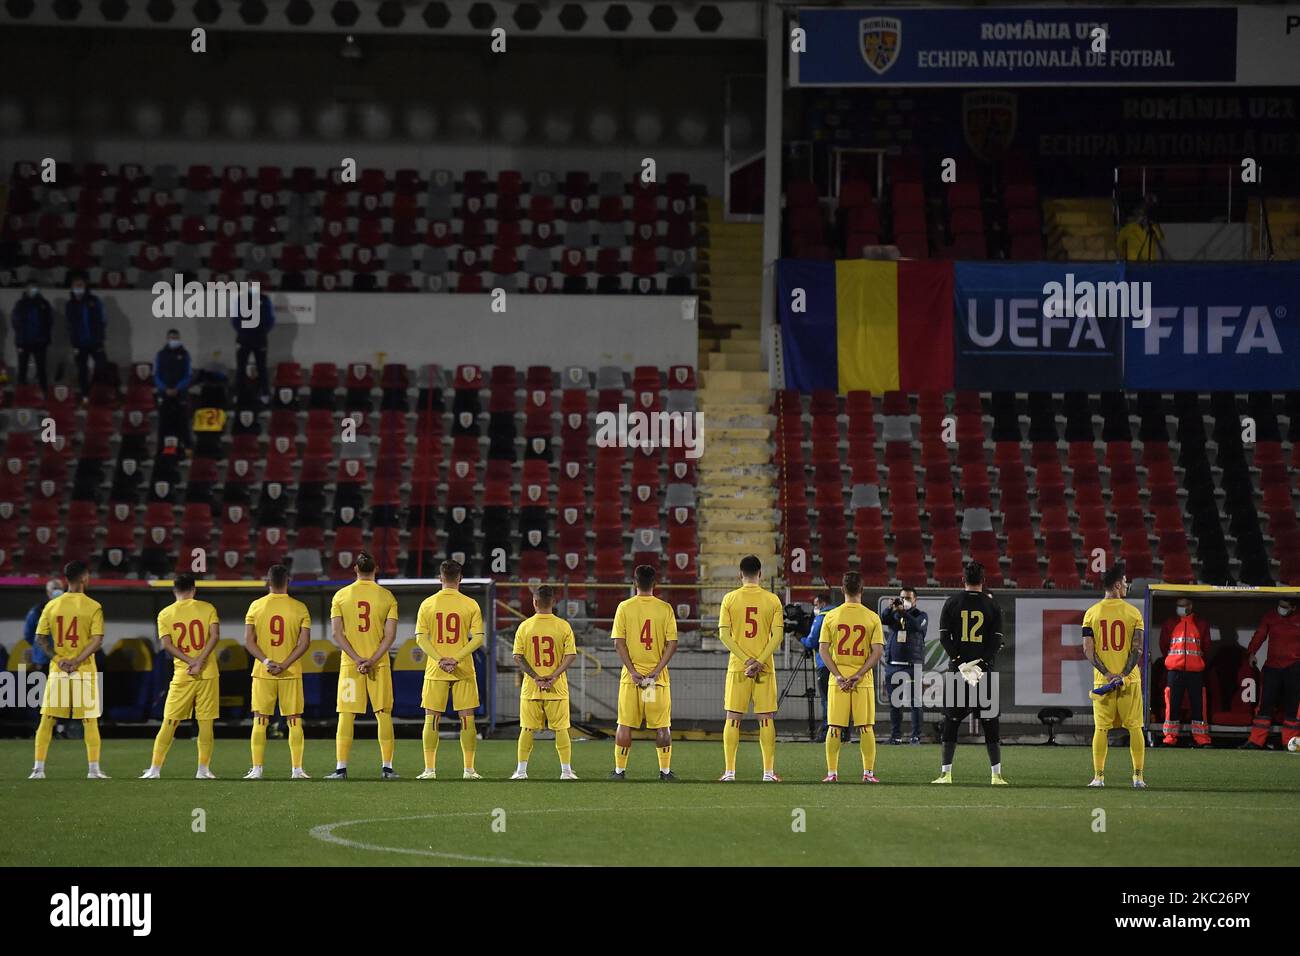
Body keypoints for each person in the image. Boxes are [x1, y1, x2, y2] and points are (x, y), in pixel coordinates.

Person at [29, 561, 108, 780]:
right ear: (83, 578)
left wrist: (58, 658)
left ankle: (38, 769)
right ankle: (93, 770)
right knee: (89, 719)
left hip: (58, 669)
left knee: (47, 718)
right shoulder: (93, 606)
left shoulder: (52, 606)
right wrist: (77, 660)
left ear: (66, 579)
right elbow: (97, 640)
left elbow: (40, 638)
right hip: (83, 670)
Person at [325, 552, 400, 780]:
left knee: (346, 715)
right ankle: (387, 768)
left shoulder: (341, 596)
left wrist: (357, 659)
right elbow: (389, 637)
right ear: (375, 568)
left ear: (355, 569)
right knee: (383, 714)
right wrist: (372, 659)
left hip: (351, 664)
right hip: (379, 664)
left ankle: (341, 768)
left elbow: (337, 634)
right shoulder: (387, 597)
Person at [933, 561, 1007, 786]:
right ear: (983, 581)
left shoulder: (952, 602)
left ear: (962, 580)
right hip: (984, 673)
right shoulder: (993, 606)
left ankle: (946, 774)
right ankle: (996, 775)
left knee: (951, 721)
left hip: (958, 672)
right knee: (990, 723)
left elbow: (945, 638)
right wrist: (981, 664)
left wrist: (960, 663)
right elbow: (996, 640)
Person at [140, 574, 220, 779]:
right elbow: (214, 637)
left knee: (169, 721)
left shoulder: (165, 614)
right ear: (194, 589)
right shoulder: (208, 608)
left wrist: (189, 661)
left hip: (183, 674)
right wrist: (200, 660)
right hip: (207, 673)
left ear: (174, 590)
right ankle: (203, 770)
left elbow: (167, 645)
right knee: (205, 722)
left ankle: (155, 769)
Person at [414, 559, 485, 779]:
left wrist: (439, 659)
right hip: (463, 667)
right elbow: (478, 639)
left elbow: (420, 639)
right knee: (467, 718)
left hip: (436, 669)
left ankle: (429, 770)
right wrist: (456, 658)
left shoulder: (428, 604)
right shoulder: (471, 604)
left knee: (432, 718)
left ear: (440, 578)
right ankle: (469, 770)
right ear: (460, 578)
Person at [717, 554, 785, 782]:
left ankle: (729, 772)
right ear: (760, 574)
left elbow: (724, 635)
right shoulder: (772, 599)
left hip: (739, 667)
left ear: (740, 575)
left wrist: (746, 660)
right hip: (764, 668)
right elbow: (778, 636)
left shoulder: (729, 598)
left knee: (732, 718)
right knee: (766, 718)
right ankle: (767, 772)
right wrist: (759, 661)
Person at [609, 564, 679, 781]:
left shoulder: (624, 607)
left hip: (632, 680)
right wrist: (656, 673)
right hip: (655, 682)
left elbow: (618, 643)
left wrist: (632, 671)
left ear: (634, 583)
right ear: (655, 584)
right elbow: (672, 644)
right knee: (662, 726)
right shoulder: (665, 608)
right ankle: (665, 772)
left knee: (625, 724)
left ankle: (620, 771)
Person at [243, 564, 312, 780]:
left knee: (260, 720)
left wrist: (266, 661)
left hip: (263, 672)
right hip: (290, 672)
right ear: (288, 580)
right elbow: (304, 643)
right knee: (294, 720)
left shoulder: (255, 606)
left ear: (268, 581)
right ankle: (297, 770)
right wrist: (284, 664)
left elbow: (248, 641)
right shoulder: (300, 607)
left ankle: (257, 769)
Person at [1082, 562, 1146, 788]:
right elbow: (1136, 650)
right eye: (1126, 581)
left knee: (1101, 729)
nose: (1127, 585)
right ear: (1118, 585)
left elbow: (1087, 650)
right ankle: (1138, 777)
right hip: (1130, 681)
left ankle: (1098, 777)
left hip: (1103, 682)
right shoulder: (1134, 613)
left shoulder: (1091, 613)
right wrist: (1123, 675)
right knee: (1135, 727)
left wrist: (1109, 675)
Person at [818, 572, 885, 783]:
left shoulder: (831, 616)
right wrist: (859, 674)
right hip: (862, 681)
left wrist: (838, 675)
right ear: (862, 590)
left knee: (835, 727)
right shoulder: (872, 617)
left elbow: (823, 650)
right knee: (865, 727)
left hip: (837, 681)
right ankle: (868, 773)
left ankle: (831, 773)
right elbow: (877, 651)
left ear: (842, 590)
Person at [511, 585, 579, 780]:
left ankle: (521, 771)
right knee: (561, 728)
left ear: (534, 602)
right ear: (554, 602)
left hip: (532, 687)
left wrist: (535, 676)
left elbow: (517, 656)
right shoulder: (563, 626)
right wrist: (555, 675)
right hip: (556, 687)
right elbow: (570, 655)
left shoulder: (525, 626)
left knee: (527, 728)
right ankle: (566, 771)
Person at [1242, 596, 1300, 750]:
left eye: (1285, 606)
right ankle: (1256, 741)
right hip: (1272, 668)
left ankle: (1289, 743)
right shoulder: (1271, 617)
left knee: (1292, 707)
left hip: (1294, 668)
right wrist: (1252, 652)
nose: (1281, 609)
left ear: (1294, 608)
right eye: (1280, 605)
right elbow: (1260, 635)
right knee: (1264, 706)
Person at [1158, 596, 1213, 747]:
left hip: (1195, 671)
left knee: (1198, 706)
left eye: (1183, 605)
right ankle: (1170, 737)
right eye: (1178, 605)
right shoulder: (1170, 623)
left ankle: (1201, 738)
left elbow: (1207, 647)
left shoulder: (1201, 624)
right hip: (1175, 671)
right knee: (1172, 705)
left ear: (1191, 606)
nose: (1180, 608)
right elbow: (1163, 645)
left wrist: (1198, 663)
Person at [883, 585, 928, 745]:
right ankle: (896, 736)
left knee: (915, 702)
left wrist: (902, 612)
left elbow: (916, 626)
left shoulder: (921, 615)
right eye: (902, 597)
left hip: (912, 665)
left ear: (915, 600)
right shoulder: (895, 614)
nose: (905, 601)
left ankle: (915, 736)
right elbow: (883, 619)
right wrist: (890, 608)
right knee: (895, 704)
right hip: (893, 664)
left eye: (908, 598)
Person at [799, 590, 835, 742]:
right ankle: (843, 732)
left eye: (815, 605)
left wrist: (800, 637)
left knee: (826, 700)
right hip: (841, 664)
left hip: (824, 663)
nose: (815, 608)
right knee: (840, 700)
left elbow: (811, 642)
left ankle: (827, 731)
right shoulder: (840, 615)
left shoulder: (821, 618)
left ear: (822, 604)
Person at [66, 273, 108, 400]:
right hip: (79, 343)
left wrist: (100, 336)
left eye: (81, 285)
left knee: (101, 367)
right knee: (82, 370)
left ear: (85, 286)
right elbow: (70, 325)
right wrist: (74, 343)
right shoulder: (70, 304)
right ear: (72, 287)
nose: (78, 287)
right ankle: (85, 395)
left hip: (95, 341)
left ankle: (98, 393)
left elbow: (103, 319)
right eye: (76, 285)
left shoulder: (94, 301)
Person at [154, 328, 194, 451]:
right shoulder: (160, 355)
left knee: (182, 424)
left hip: (180, 395)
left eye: (176, 338)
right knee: (164, 425)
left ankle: (187, 450)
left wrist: (177, 388)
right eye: (171, 338)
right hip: (164, 394)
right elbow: (156, 375)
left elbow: (188, 375)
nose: (173, 340)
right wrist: (165, 388)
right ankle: (162, 451)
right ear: (167, 339)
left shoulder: (185, 354)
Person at [232, 292, 275, 403]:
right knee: (241, 368)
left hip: (260, 338)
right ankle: (238, 395)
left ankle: (265, 395)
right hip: (243, 338)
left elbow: (271, 319)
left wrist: (263, 331)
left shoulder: (265, 299)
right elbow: (235, 318)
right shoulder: (241, 299)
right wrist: (242, 331)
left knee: (262, 368)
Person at [11, 282, 53, 393]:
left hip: (40, 342)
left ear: (38, 289)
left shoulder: (44, 304)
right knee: (22, 369)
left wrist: (44, 338)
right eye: (29, 288)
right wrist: (20, 338)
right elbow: (15, 322)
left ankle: (44, 393)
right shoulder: (20, 304)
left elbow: (49, 322)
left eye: (34, 287)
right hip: (23, 342)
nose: (32, 290)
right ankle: (21, 394)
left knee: (41, 369)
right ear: (25, 289)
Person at [24, 579, 63, 674]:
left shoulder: (71, 610)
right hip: (42, 660)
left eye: (60, 588)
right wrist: (41, 647)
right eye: (54, 588)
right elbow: (29, 635)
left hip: (63, 660)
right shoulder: (36, 612)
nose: (57, 591)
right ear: (48, 592)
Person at [1116, 196, 1164, 261]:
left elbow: (1160, 238)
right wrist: (1122, 255)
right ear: (1135, 214)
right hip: (1133, 262)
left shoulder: (1151, 226)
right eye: (1139, 213)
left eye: (1143, 213)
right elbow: (1119, 242)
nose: (1141, 216)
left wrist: (1151, 225)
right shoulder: (1129, 227)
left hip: (1149, 262)